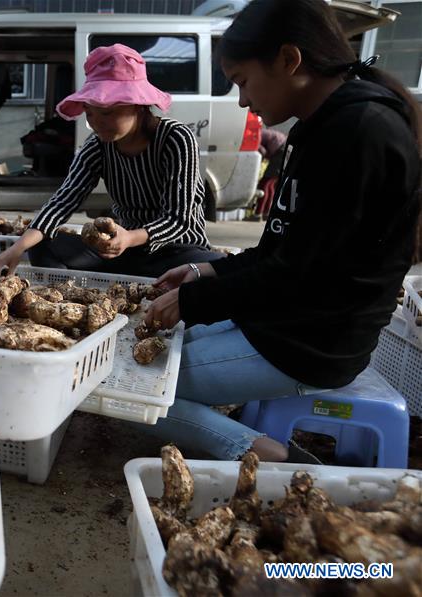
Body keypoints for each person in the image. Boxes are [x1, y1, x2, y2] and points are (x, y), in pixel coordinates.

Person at [142, 0, 421, 462]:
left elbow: (300, 274)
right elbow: (281, 251)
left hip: (311, 343)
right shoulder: (319, 129)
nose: (243, 101)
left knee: (143, 384)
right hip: (281, 321)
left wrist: (195, 301)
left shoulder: (361, 132)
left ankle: (277, 461)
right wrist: (201, 274)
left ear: (289, 60)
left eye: (243, 82)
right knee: (157, 347)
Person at [0, 44, 222, 280]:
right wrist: (17, 248)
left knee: (217, 268)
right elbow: (62, 202)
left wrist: (130, 237)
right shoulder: (98, 146)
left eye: (107, 113)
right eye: (90, 113)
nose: (97, 123)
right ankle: (78, 297)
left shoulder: (176, 138)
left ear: (138, 105)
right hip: (124, 255)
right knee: (42, 244)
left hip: (177, 252)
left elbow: (179, 219)